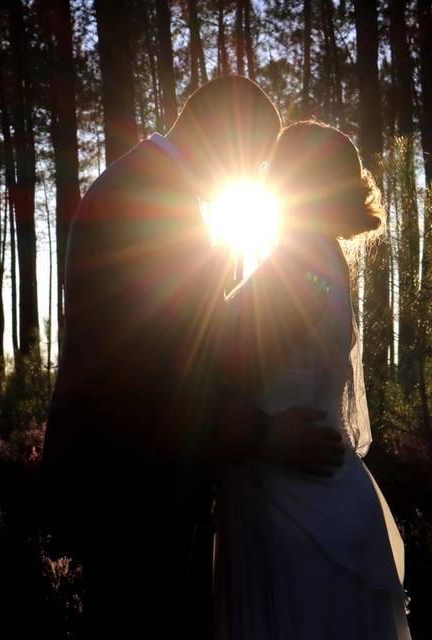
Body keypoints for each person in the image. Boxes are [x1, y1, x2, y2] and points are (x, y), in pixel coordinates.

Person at [41, 77, 344, 637]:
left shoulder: (151, 188)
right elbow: (155, 374)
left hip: (140, 479)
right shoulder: (147, 203)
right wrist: (264, 434)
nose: (252, 176)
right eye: (252, 160)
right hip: (132, 490)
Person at [213, 121, 411, 639]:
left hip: (291, 508)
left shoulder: (297, 271)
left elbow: (215, 380)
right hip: (318, 497)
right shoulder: (323, 260)